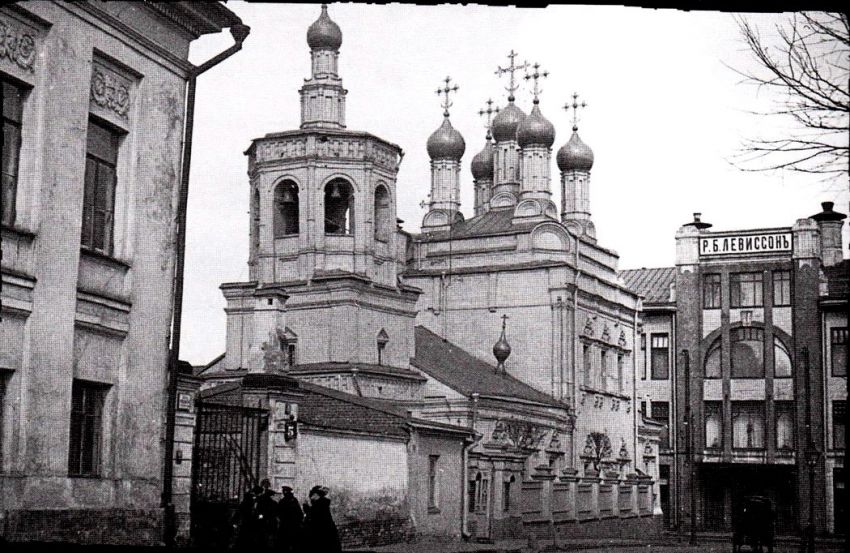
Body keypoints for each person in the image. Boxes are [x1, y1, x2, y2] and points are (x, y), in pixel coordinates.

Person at [302, 485, 341, 552]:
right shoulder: (320, 504)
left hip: (322, 535)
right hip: (325, 534)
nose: (311, 497)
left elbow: (315, 518)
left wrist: (306, 509)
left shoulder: (319, 505)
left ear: (317, 495)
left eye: (313, 495)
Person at [276, 485, 304, 552]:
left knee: (285, 542)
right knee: (294, 541)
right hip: (294, 524)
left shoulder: (283, 501)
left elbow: (279, 512)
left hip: (286, 524)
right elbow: (299, 512)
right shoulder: (294, 500)